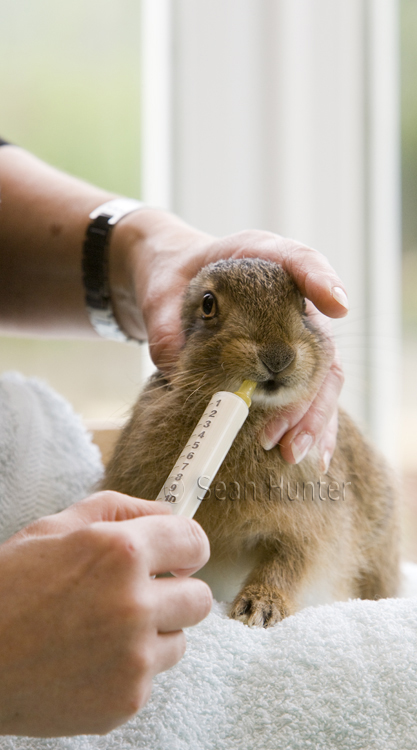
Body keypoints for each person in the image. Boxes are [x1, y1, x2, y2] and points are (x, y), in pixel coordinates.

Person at [0, 141, 348, 737]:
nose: (274, 350)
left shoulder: (298, 440)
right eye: (214, 309)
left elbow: (316, 533)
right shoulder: (162, 421)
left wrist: (146, 246)